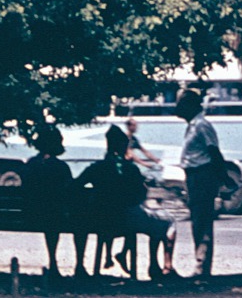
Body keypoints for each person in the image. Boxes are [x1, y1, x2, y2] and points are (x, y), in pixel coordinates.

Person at [77, 125, 177, 278]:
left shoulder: (96, 168)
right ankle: (157, 266)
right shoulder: (131, 169)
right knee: (167, 221)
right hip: (127, 220)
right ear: (124, 147)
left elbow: (75, 186)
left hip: (100, 219)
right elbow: (140, 195)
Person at [22, 123, 81, 276]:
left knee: (51, 217)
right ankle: (79, 265)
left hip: (30, 215)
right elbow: (70, 192)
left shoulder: (30, 164)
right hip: (55, 215)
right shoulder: (61, 167)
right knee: (80, 223)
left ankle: (53, 262)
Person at [176, 88, 221, 278]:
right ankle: (200, 262)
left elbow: (214, 153)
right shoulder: (192, 125)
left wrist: (222, 178)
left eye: (181, 104)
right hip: (194, 176)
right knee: (197, 220)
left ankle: (203, 266)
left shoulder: (202, 125)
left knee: (201, 220)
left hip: (202, 176)